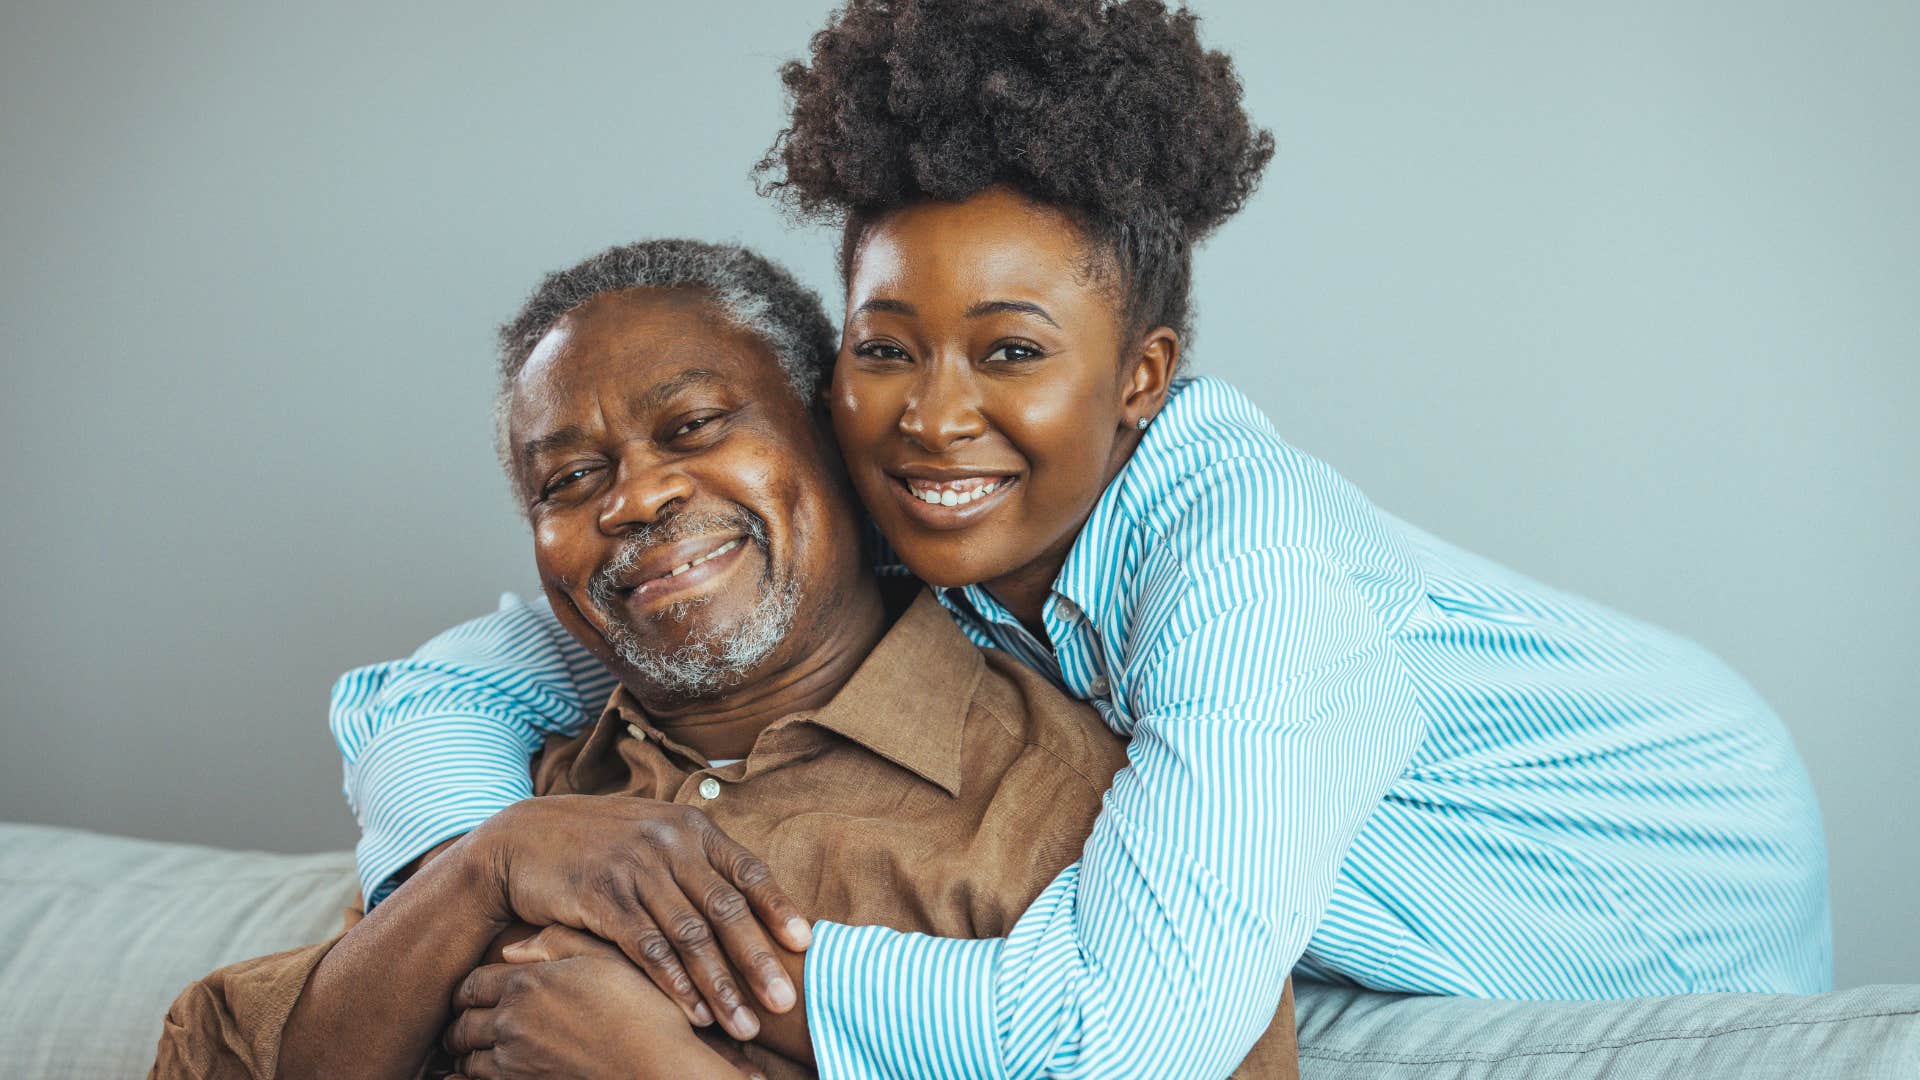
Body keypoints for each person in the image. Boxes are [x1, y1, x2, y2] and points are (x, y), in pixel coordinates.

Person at [334, 2, 1831, 1076]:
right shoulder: (876, 486)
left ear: (1140, 381)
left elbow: (1127, 1034)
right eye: (883, 347)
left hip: (1644, 894)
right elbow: (450, 687)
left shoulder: (1247, 564)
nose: (931, 418)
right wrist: (495, 866)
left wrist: (673, 990)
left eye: (1009, 352)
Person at [153, 240, 1299, 1079]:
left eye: (696, 426)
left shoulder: (1105, 827)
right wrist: (484, 871)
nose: (636, 497)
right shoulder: (513, 798)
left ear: (840, 438)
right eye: (568, 480)